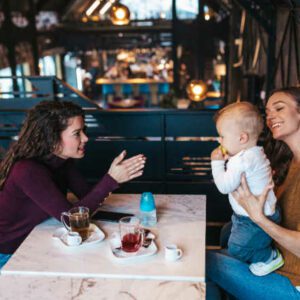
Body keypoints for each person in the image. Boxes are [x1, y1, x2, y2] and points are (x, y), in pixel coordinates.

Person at [0, 101, 146, 269]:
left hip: (34, 240)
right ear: (52, 138)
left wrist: (129, 214)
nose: (85, 138)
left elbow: (87, 199)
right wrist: (111, 180)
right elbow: (71, 220)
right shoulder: (28, 170)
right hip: (9, 254)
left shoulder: (62, 162)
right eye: (77, 133)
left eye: (84, 130)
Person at [207, 87, 300, 300]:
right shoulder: (283, 161)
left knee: (203, 262)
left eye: (279, 108)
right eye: (267, 112)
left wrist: (259, 219)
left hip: (293, 285)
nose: (270, 117)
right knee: (226, 233)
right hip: (276, 263)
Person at [211, 102, 283, 276]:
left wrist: (217, 162)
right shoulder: (255, 153)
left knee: (237, 248)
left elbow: (223, 186)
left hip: (254, 219)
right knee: (229, 235)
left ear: (242, 138)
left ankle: (268, 257)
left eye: (222, 136)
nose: (219, 141)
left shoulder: (241, 160)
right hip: (261, 212)